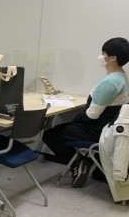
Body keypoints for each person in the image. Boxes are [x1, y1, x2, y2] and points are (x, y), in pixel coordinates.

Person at [42, 37, 129, 188]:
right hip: (109, 127)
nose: (100, 56)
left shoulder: (109, 82)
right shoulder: (121, 77)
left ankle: (80, 162)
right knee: (66, 127)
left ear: (113, 58)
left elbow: (92, 115)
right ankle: (84, 162)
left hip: (98, 131)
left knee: (51, 135)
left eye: (103, 53)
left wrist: (76, 119)